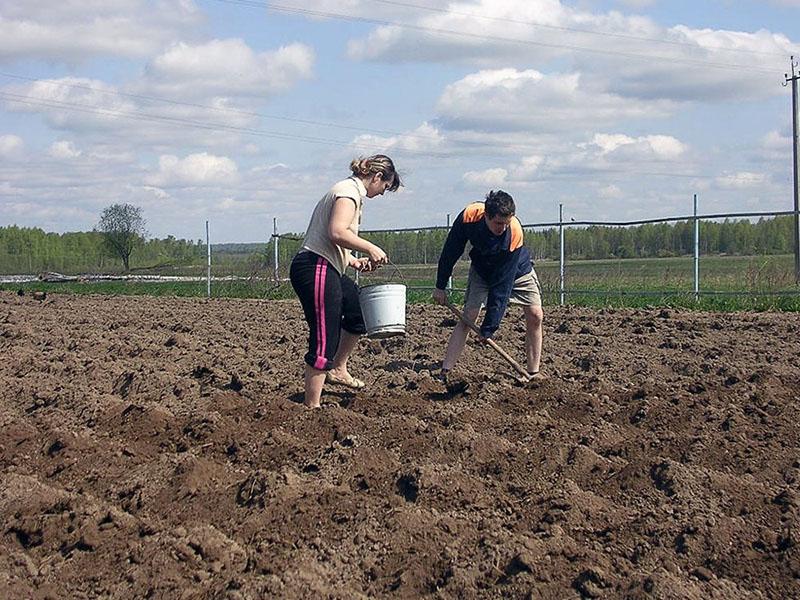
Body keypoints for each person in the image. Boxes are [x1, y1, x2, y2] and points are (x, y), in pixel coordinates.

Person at [290, 155, 401, 408]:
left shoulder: (350, 192)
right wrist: (370, 248)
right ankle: (312, 406)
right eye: (385, 187)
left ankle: (338, 369)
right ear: (377, 177)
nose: (383, 193)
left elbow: (331, 239)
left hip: (328, 265)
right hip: (315, 267)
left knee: (357, 312)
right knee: (324, 335)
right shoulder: (348, 192)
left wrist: (352, 261)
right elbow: (337, 232)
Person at [432, 190, 544, 383]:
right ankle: (445, 371)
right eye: (498, 223)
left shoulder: (514, 232)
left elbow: (502, 285)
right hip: (482, 270)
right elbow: (450, 252)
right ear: (486, 216)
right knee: (469, 317)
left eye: (506, 223)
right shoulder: (469, 216)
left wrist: (489, 328)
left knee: (535, 315)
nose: (502, 228)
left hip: (516, 271)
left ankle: (533, 372)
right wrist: (440, 286)